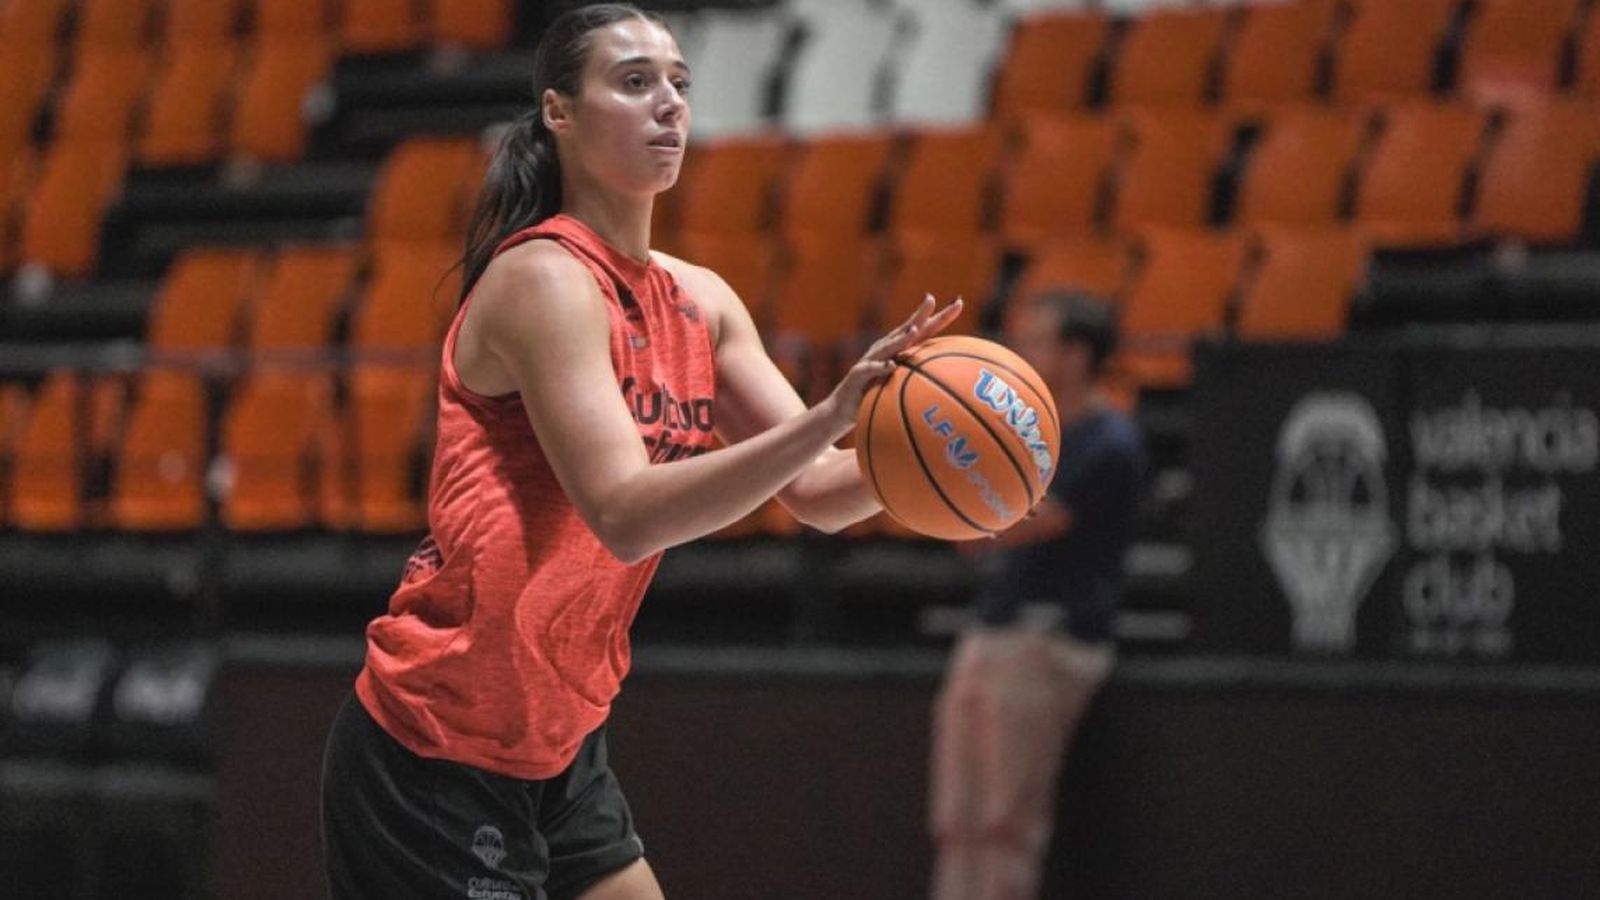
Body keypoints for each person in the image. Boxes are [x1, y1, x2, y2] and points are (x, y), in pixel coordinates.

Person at [319, 5, 962, 900]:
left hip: (560, 737)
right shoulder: (543, 278)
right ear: (558, 112)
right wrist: (828, 416)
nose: (669, 103)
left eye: (679, 84)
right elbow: (622, 513)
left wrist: (945, 463)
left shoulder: (703, 301)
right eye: (634, 82)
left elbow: (817, 489)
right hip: (436, 743)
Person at [928, 290, 1147, 900]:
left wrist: (951, 492)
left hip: (1046, 638)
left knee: (1005, 819)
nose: (1021, 353)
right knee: (956, 816)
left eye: (1037, 341)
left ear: (1078, 355)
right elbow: (971, 530)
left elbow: (1014, 524)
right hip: (994, 628)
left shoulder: (1109, 441)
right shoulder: (1026, 436)